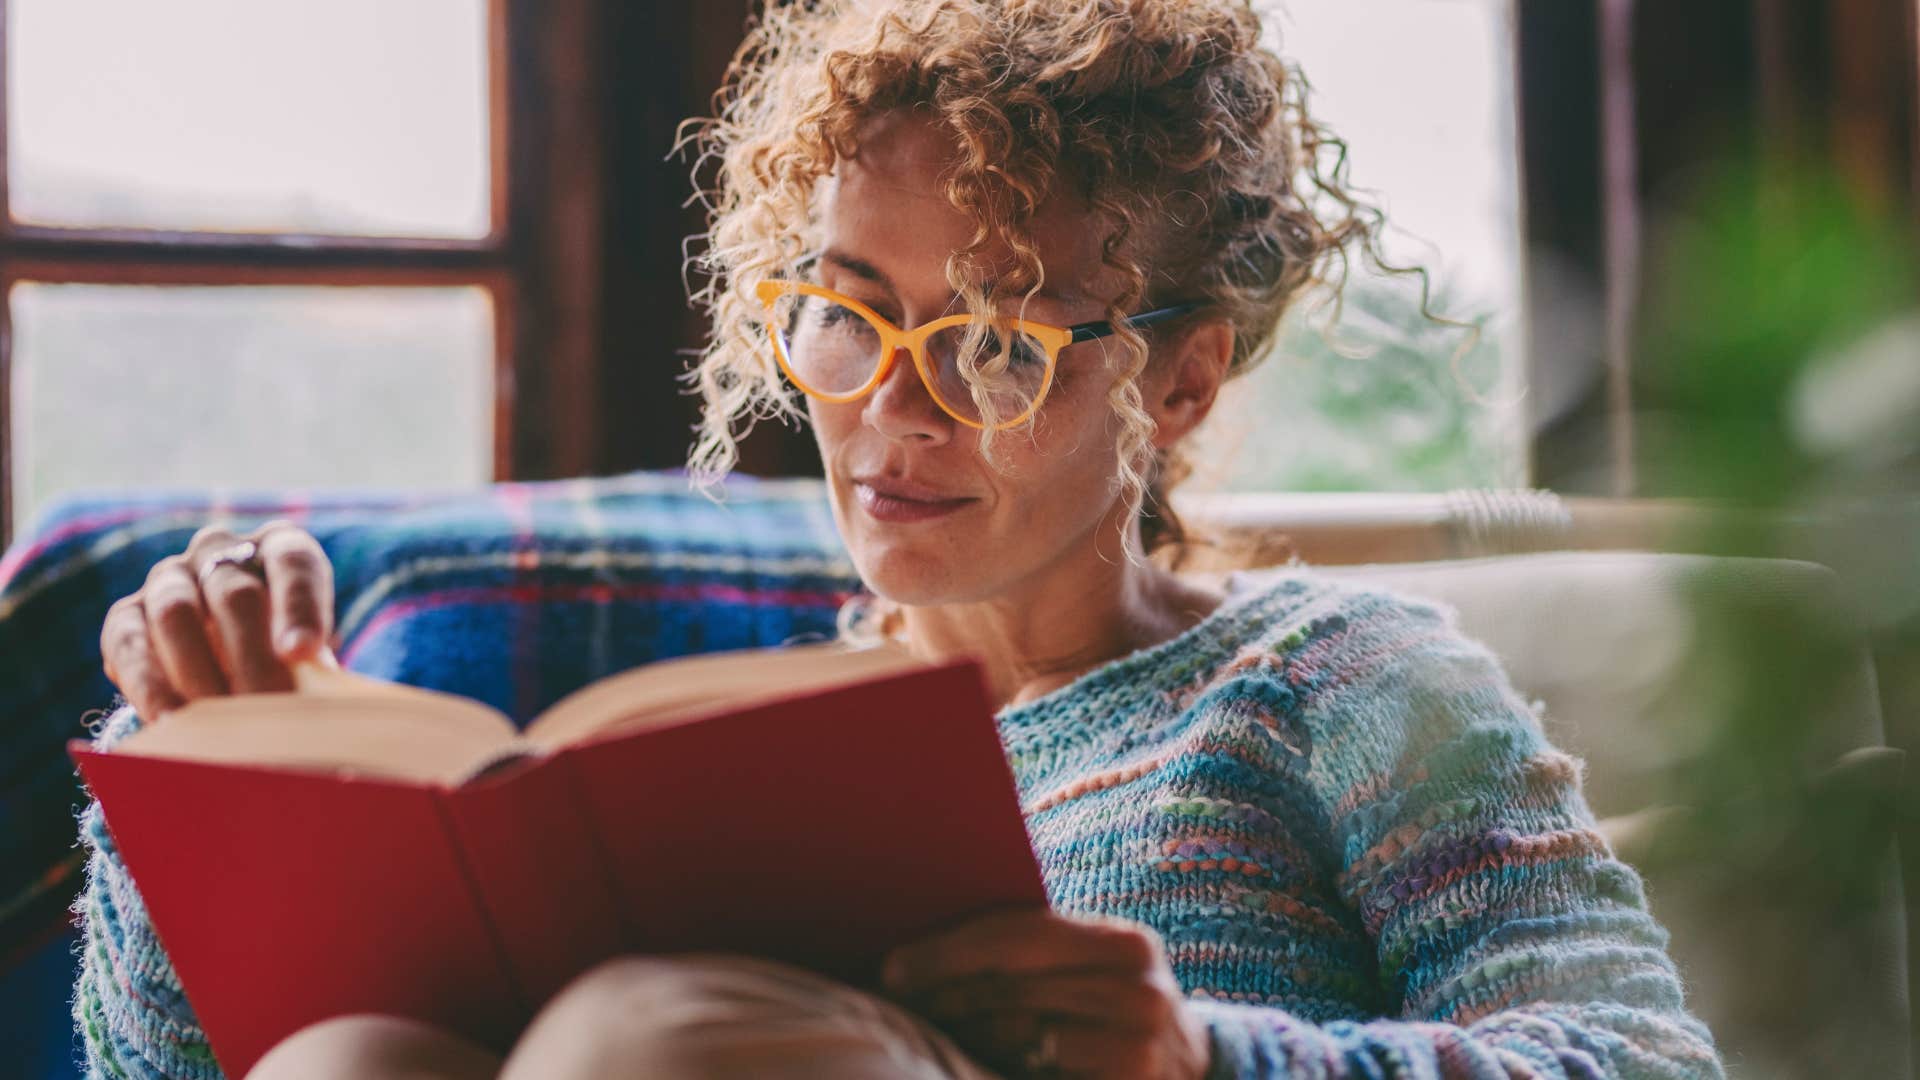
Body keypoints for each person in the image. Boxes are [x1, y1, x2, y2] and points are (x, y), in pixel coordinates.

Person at [78, 1, 1725, 1077]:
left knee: (659, 1041)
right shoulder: (754, 748)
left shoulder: (1343, 681)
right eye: (849, 315)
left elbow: (1642, 1060)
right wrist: (209, 767)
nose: (893, 409)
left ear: (1181, 378)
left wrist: (1206, 1058)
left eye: (995, 343)